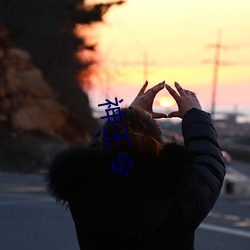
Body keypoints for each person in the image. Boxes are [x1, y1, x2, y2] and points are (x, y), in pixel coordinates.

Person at [46, 81, 226, 250]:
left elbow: (98, 151)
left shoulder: (82, 189)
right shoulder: (180, 194)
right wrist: (195, 116)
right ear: (158, 146)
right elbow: (210, 162)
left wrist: (123, 120)